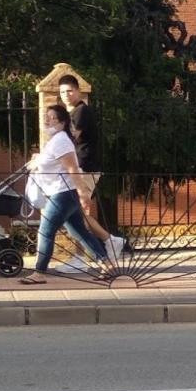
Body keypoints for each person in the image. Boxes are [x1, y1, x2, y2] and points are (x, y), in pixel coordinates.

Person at [20, 104, 109, 284]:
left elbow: (72, 169)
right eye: (47, 116)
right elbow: (53, 163)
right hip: (60, 193)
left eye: (52, 117)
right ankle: (106, 264)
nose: (48, 120)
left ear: (62, 122)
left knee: (45, 231)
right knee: (79, 232)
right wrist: (37, 161)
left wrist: (83, 193)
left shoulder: (61, 140)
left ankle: (39, 272)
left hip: (63, 194)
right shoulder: (55, 140)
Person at [55, 75, 125, 274]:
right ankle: (95, 249)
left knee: (76, 214)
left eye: (69, 91)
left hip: (85, 167)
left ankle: (107, 242)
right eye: (62, 92)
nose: (66, 95)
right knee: (75, 214)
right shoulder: (73, 113)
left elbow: (71, 136)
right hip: (79, 168)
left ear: (78, 91)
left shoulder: (81, 111)